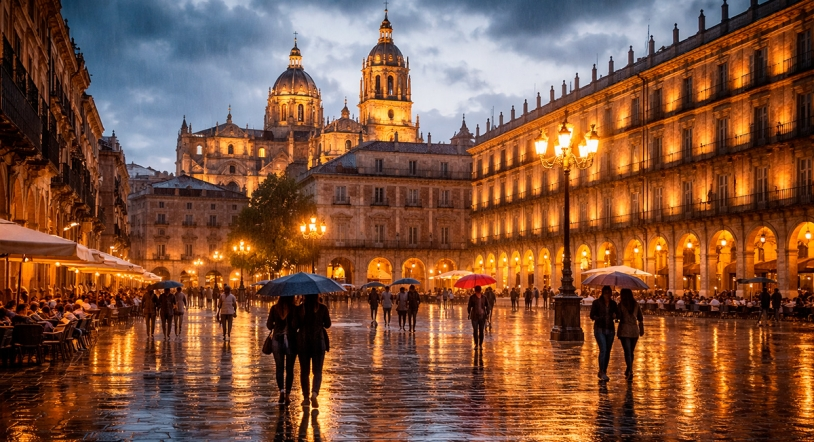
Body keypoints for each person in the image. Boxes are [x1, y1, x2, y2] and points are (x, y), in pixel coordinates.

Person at [295, 294, 331, 409]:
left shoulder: (300, 308)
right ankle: (314, 393)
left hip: (303, 342)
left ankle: (306, 398)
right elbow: (328, 324)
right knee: (318, 371)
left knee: (304, 371)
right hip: (318, 342)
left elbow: (294, 325)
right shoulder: (323, 308)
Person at [267, 296, 297, 405]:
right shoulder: (294, 308)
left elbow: (269, 325)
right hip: (291, 341)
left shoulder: (274, 308)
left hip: (277, 340)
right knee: (290, 369)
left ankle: (281, 391)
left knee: (279, 368)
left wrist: (276, 324)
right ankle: (288, 395)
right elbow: (296, 325)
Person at [589, 285, 618, 382]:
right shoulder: (596, 303)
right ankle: (602, 371)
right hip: (599, 329)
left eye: (609, 293)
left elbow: (618, 315)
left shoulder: (613, 304)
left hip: (610, 329)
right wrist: (600, 317)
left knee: (608, 351)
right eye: (606, 293)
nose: (608, 295)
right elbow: (592, 315)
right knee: (604, 349)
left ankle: (604, 370)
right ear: (603, 293)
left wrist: (615, 316)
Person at [617, 288, 644, 380]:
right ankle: (629, 369)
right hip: (634, 330)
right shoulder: (636, 304)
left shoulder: (621, 305)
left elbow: (618, 317)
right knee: (631, 352)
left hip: (624, 330)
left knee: (627, 352)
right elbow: (640, 317)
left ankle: (630, 370)